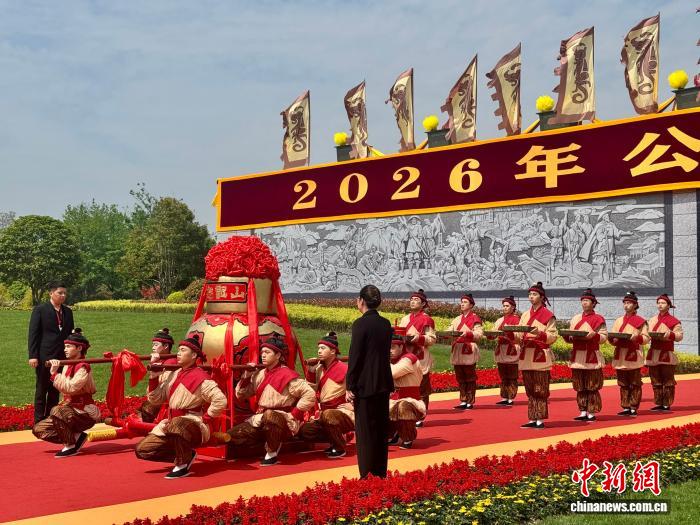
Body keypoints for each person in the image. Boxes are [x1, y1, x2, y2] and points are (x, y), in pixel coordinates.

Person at [134, 334, 227, 479]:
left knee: (177, 424)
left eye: (183, 350)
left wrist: (207, 418)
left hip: (193, 423)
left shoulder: (201, 377)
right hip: (172, 424)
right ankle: (185, 455)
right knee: (143, 450)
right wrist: (154, 377)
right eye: (178, 350)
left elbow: (220, 400)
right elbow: (155, 398)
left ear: (194, 355)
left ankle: (182, 464)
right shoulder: (174, 374)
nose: (178, 353)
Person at [228, 335, 316, 466]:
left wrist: (295, 414)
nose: (263, 355)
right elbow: (241, 395)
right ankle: (267, 440)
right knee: (232, 435)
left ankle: (272, 451)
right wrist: (246, 377)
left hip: (283, 419)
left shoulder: (288, 375)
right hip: (261, 418)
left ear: (278, 355)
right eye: (262, 352)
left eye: (267, 352)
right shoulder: (260, 374)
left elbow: (310, 394)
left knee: (270, 415)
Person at [346, 284, 393, 479]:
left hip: (364, 384)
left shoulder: (360, 324)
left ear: (361, 301)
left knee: (365, 431)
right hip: (383, 382)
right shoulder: (385, 324)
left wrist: (350, 385)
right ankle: (380, 472)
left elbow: (355, 356)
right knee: (381, 430)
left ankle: (366, 474)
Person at [32, 328, 98, 457]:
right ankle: (77, 437)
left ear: (79, 348)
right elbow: (64, 388)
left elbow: (71, 388)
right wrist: (56, 374)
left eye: (68, 346)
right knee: (38, 429)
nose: (65, 350)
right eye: (65, 347)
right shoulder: (68, 363)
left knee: (56, 410)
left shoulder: (83, 367)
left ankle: (70, 446)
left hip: (85, 413)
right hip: (69, 410)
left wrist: (54, 374)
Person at [298, 332, 355, 458]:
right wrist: (311, 372)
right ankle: (335, 438)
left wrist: (354, 406)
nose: (319, 351)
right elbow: (310, 392)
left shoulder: (345, 369)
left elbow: (359, 390)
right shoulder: (318, 369)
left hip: (343, 413)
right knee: (305, 431)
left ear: (333, 351)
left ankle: (339, 447)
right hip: (325, 413)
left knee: (329, 415)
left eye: (323, 348)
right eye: (318, 348)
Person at [28, 282, 75, 424]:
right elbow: (33, 334)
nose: (63, 296)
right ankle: (38, 421)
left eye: (65, 293)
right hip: (44, 356)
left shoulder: (68, 312)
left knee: (56, 387)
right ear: (51, 293)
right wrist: (33, 356)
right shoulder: (40, 310)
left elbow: (70, 335)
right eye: (60, 293)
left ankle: (51, 419)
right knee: (42, 387)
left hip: (62, 356)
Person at [563, 289, 608, 422]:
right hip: (577, 356)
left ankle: (592, 411)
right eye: (582, 300)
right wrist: (567, 336)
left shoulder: (599, 319)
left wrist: (595, 335)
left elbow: (604, 337)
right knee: (579, 385)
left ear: (593, 303)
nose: (584, 303)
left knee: (592, 385)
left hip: (591, 355)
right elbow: (571, 335)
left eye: (587, 300)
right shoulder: (576, 318)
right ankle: (582, 411)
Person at [518, 282, 558, 429]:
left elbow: (553, 336)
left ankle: (540, 418)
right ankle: (532, 417)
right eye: (530, 294)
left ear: (542, 297)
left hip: (540, 355)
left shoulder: (548, 315)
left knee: (540, 389)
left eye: (534, 294)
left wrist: (540, 334)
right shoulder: (525, 315)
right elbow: (519, 334)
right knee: (529, 390)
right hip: (527, 355)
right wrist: (511, 334)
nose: (531, 297)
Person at [397, 289, 436, 426]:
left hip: (421, 358)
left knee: (421, 390)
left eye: (416, 300)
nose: (412, 302)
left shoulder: (427, 319)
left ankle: (420, 416)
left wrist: (419, 338)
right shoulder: (405, 319)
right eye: (411, 300)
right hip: (405, 358)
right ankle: (407, 414)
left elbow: (432, 339)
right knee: (406, 388)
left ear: (423, 303)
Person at [609, 291, 649, 417]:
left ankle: (634, 407)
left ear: (635, 305)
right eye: (625, 303)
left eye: (629, 303)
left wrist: (637, 337)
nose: (626, 305)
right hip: (621, 354)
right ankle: (626, 406)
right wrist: (613, 340)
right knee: (623, 383)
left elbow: (646, 338)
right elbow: (613, 335)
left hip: (633, 354)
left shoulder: (641, 321)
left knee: (635, 383)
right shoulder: (618, 320)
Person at [645, 294, 684, 411]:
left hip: (666, 353)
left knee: (667, 380)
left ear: (668, 305)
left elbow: (679, 336)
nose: (660, 305)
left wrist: (670, 334)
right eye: (658, 303)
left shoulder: (674, 321)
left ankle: (667, 403)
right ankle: (659, 403)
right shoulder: (652, 320)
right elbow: (646, 334)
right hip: (653, 352)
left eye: (663, 303)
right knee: (655, 380)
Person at [387, 332, 426, 449]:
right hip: (394, 398)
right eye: (387, 347)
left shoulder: (409, 359)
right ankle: (394, 433)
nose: (389, 350)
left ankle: (408, 437)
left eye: (392, 347)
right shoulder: (394, 360)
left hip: (411, 400)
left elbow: (392, 373)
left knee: (403, 407)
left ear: (401, 346)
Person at [446, 293, 483, 410]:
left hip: (468, 349)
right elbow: (450, 330)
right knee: (460, 376)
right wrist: (445, 334)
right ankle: (463, 400)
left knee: (469, 376)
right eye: (461, 302)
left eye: (465, 302)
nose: (462, 304)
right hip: (458, 349)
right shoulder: (457, 319)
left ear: (471, 305)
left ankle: (470, 401)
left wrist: (468, 334)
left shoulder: (475, 318)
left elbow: (479, 334)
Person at [137, 327, 178, 423]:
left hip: (165, 402)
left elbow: (157, 396)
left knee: (147, 409)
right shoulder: (161, 361)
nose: (153, 347)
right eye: (153, 345)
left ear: (166, 346)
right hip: (159, 399)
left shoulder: (170, 363)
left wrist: (153, 365)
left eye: (156, 345)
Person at [487, 295, 521, 406]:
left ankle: (511, 396)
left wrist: (511, 334)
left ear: (513, 307)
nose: (505, 308)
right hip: (501, 349)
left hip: (512, 349)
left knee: (512, 375)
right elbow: (494, 332)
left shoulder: (517, 320)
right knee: (503, 376)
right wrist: (490, 335)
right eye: (504, 306)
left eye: (507, 306)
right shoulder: (499, 320)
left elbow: (519, 335)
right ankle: (504, 396)